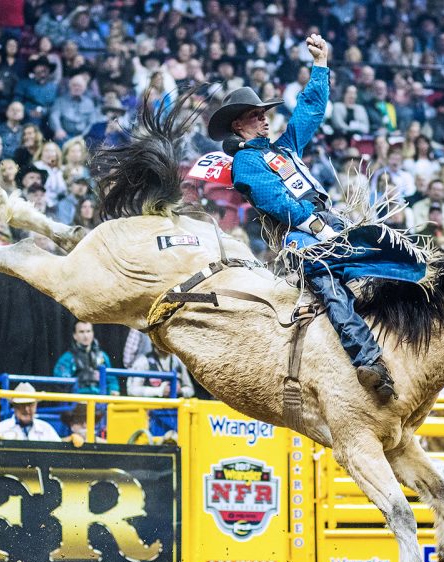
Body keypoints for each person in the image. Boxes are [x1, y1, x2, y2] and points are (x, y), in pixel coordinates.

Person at [212, 33, 426, 401]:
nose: (264, 120)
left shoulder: (283, 147)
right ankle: (367, 358)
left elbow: (309, 109)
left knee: (390, 249)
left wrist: (321, 65)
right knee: (328, 281)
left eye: (264, 114)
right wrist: (312, 222)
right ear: (238, 125)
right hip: (300, 235)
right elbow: (274, 199)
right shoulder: (245, 162)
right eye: (255, 115)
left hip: (330, 219)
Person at [53, 321, 119, 395]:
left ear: (93, 333)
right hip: (78, 401)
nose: (86, 336)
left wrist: (114, 389)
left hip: (100, 401)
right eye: (81, 332)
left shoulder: (102, 356)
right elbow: (62, 381)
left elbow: (112, 379)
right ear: (75, 335)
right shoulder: (67, 358)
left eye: (88, 331)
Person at [129, 343, 195, 399]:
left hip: (175, 410)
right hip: (151, 410)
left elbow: (190, 390)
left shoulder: (178, 362)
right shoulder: (143, 361)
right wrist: (159, 391)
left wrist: (181, 391)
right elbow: (132, 390)